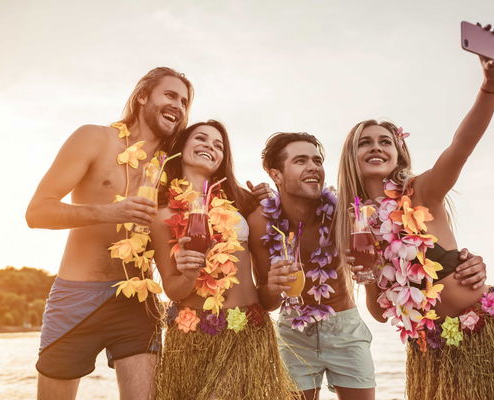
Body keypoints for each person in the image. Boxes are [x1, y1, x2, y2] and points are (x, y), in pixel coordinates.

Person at [336, 55, 494, 400]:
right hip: (429, 349)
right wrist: (371, 274)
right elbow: (379, 313)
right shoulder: (356, 225)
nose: (376, 147)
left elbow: (460, 148)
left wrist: (490, 88)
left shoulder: (421, 192)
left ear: (398, 152)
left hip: (483, 330)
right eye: (365, 142)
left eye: (385, 141)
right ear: (351, 156)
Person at [247, 132, 489, 400]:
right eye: (301, 161)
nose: (314, 167)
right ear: (276, 174)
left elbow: (409, 237)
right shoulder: (260, 222)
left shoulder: (348, 212)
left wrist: (459, 260)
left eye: (317, 160)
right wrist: (273, 285)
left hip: (345, 328)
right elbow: (266, 301)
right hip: (294, 332)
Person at [25, 67, 194, 400]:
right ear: (143, 95)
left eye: (185, 101)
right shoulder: (94, 138)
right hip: (76, 297)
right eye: (170, 95)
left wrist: (260, 197)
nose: (179, 105)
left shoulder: (173, 168)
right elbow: (37, 212)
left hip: (138, 304)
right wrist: (108, 212)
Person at [151, 120, 296, 400]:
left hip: (249, 334)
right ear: (181, 148)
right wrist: (190, 275)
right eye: (201, 139)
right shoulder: (161, 215)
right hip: (193, 339)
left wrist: (271, 197)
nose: (210, 146)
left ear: (222, 159)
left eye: (218, 145)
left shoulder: (241, 201)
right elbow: (172, 289)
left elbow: (269, 292)